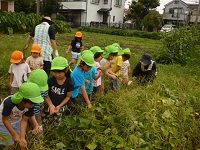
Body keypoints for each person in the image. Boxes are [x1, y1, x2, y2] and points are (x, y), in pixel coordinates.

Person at [0, 82, 44, 149]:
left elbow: (24, 121)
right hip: (3, 123)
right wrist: (14, 134)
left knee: (19, 141)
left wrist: (22, 138)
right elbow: (5, 120)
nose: (33, 106)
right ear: (23, 101)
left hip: (16, 122)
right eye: (32, 104)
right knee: (7, 143)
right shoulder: (9, 103)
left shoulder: (30, 105)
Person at [41, 57, 74, 128]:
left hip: (60, 106)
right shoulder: (50, 80)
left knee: (56, 123)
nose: (57, 75)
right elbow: (46, 94)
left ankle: (54, 134)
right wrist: (50, 105)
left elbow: (68, 97)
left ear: (66, 70)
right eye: (55, 72)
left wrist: (59, 106)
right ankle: (43, 132)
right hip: (48, 104)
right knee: (43, 120)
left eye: (59, 72)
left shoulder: (69, 83)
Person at [27, 69, 48, 138]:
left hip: (37, 112)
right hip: (26, 113)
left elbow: (46, 97)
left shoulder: (44, 90)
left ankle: (39, 142)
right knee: (28, 130)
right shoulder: (27, 91)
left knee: (39, 129)